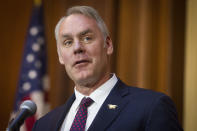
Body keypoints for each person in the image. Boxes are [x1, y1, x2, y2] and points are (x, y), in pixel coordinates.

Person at [33, 6, 183, 131]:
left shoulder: (152, 107)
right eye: (67, 42)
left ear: (108, 45)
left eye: (87, 38)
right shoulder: (43, 125)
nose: (77, 48)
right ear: (60, 56)